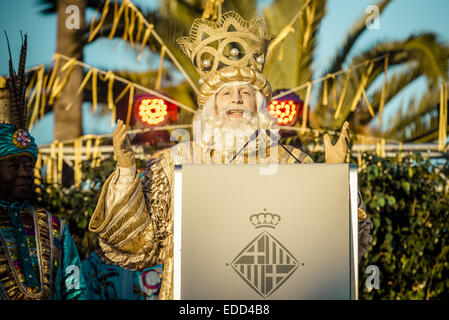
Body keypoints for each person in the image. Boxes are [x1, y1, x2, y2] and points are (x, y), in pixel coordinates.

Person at [89, 12, 372, 300]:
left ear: (259, 105)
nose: (236, 99)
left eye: (245, 92)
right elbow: (135, 247)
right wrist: (126, 173)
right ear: (211, 106)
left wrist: (338, 180)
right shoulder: (175, 163)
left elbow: (339, 251)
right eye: (225, 93)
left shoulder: (293, 163)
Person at [0, 35, 86, 300]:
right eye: (14, 165)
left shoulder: (55, 228)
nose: (25, 172)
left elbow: (76, 291)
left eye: (29, 164)